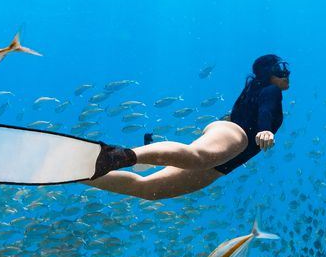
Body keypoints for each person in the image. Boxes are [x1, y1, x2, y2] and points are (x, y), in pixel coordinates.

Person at [85, 54, 290, 201]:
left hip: (225, 163)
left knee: (147, 190)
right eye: (281, 70)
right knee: (197, 157)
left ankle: (80, 173)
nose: (286, 73)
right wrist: (266, 130)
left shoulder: (255, 89)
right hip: (236, 135)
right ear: (268, 74)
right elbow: (266, 110)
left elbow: (253, 109)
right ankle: (115, 156)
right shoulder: (271, 90)